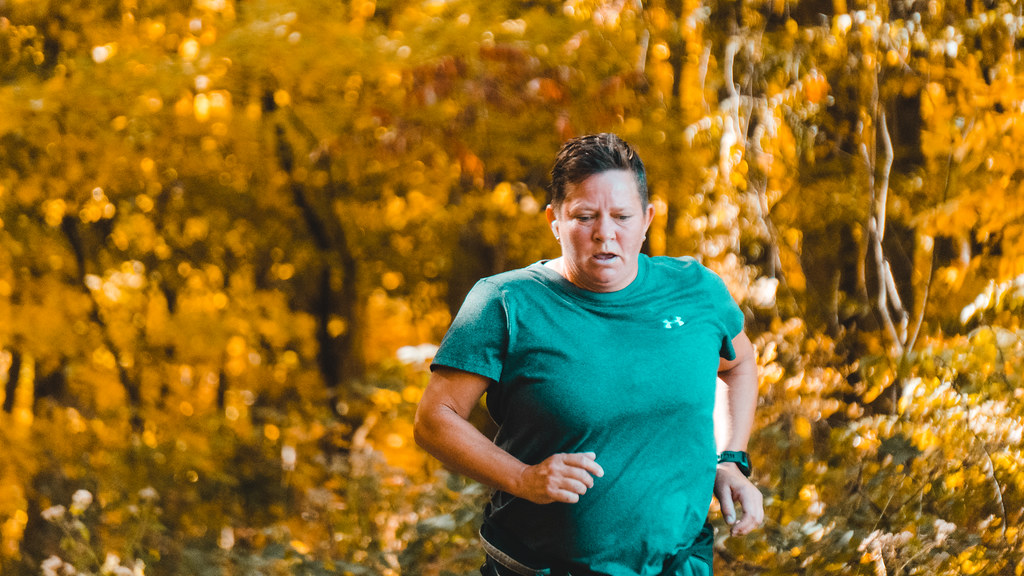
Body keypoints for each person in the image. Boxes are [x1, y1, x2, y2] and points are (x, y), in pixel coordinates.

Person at [414, 133, 763, 576]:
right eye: (584, 216)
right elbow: (434, 419)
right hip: (537, 566)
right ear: (555, 221)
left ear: (647, 220)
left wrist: (730, 460)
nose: (605, 233)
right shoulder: (505, 301)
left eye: (622, 215)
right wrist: (522, 477)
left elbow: (738, 365)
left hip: (680, 563)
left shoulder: (696, 291)